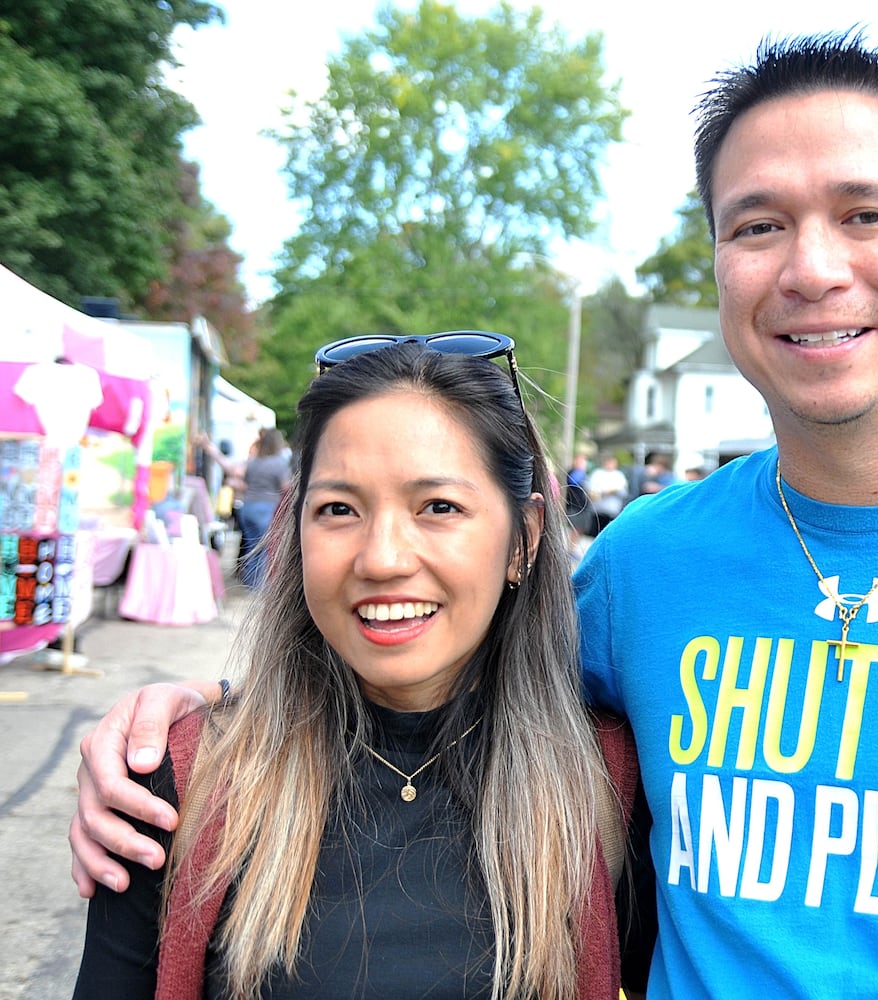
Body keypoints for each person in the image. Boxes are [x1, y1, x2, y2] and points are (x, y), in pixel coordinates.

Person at [69, 30, 878, 1000]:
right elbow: (429, 686)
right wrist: (175, 734)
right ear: (720, 265)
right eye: (760, 225)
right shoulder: (644, 571)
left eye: (866, 214)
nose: (812, 266)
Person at [74, 337, 639, 998]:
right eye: (339, 509)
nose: (382, 559)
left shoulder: (614, 787)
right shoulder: (175, 782)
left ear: (525, 539)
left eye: (438, 507)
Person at [198, 427, 290, 589]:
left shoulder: (253, 462)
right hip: (266, 508)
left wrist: (209, 447)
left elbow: (231, 469)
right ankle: (259, 586)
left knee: (251, 546)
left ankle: (249, 582)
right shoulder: (280, 463)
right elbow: (285, 485)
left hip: (247, 508)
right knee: (264, 549)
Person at [583, 454, 629, 534]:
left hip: (612, 510)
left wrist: (614, 490)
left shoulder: (619, 476)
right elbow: (590, 487)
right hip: (598, 510)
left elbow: (624, 492)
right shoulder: (597, 474)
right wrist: (602, 491)